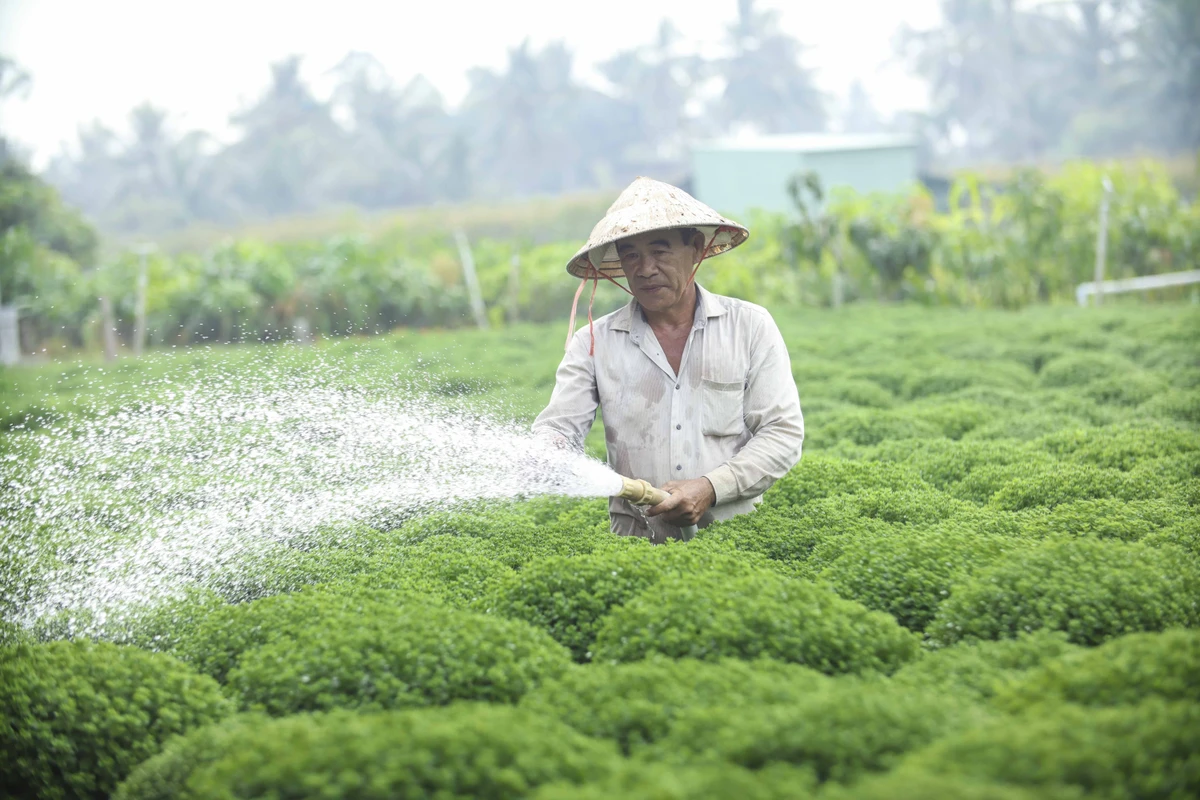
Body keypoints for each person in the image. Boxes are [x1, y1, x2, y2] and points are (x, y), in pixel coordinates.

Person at [533, 177, 804, 543]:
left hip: (737, 544)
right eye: (631, 255)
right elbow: (560, 427)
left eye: (660, 252)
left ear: (695, 248)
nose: (645, 269)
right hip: (636, 547)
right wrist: (547, 448)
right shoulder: (593, 343)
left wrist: (710, 487)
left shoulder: (750, 326)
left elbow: (782, 434)